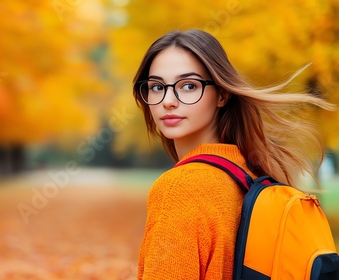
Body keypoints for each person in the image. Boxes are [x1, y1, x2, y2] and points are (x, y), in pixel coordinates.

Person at [133, 29, 335, 279]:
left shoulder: (179, 188)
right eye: (156, 86)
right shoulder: (251, 174)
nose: (168, 101)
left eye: (188, 86)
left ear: (222, 95)